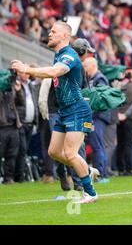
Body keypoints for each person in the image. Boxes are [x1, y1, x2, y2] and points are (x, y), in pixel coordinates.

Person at [10, 21, 98, 203]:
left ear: (65, 36)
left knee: (71, 153)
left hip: (77, 109)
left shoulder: (70, 55)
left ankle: (90, 193)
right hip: (64, 111)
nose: (49, 34)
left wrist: (26, 69)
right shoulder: (58, 55)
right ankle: (86, 170)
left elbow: (54, 72)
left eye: (53, 31)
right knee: (54, 152)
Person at [83, 57, 111, 182]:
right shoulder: (93, 79)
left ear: (92, 66)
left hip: (98, 117)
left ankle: (101, 174)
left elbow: (100, 100)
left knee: (97, 145)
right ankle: (101, 173)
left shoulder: (100, 79)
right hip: (96, 116)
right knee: (97, 145)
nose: (84, 69)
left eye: (85, 66)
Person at [14, 67, 39, 182]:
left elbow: (34, 101)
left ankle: (21, 175)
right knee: (22, 149)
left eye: (27, 72)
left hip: (31, 123)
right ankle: (19, 176)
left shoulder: (31, 85)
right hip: (21, 122)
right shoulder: (15, 85)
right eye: (23, 72)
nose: (25, 74)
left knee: (25, 149)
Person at [0, 77, 24, 184]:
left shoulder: (12, 90)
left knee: (12, 154)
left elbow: (21, 102)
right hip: (2, 127)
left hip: (14, 127)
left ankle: (8, 178)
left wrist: (18, 90)